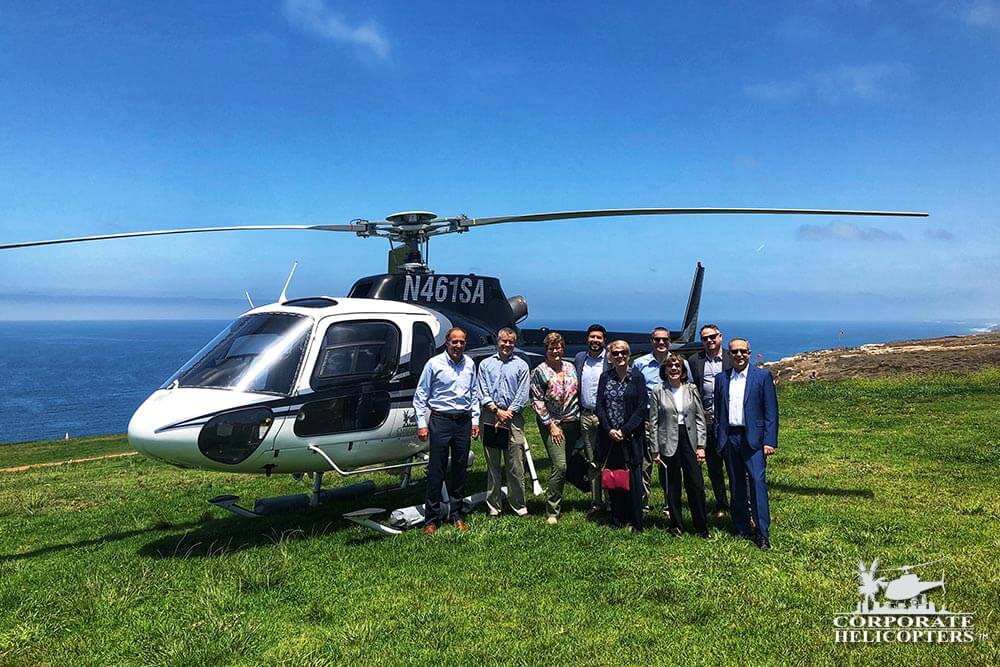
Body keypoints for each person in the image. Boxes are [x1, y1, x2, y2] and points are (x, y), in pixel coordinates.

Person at [413, 327, 481, 534]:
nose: (458, 346)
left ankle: (456, 515)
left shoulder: (469, 364)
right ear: (447, 342)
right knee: (436, 470)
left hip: (462, 422)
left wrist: (475, 421)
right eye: (454, 342)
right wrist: (421, 424)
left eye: (462, 342)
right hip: (440, 421)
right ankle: (431, 519)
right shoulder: (434, 364)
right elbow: (421, 395)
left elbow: (474, 393)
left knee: (460, 470)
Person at [713, 337, 778, 550]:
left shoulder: (762, 376)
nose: (739, 355)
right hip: (730, 437)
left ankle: (762, 532)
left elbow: (771, 412)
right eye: (734, 352)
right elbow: (718, 412)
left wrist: (769, 440)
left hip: (754, 440)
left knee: (757, 484)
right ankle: (741, 526)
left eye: (743, 351)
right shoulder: (721, 379)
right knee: (736, 483)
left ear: (749, 353)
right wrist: (718, 438)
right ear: (729, 354)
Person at [649, 354, 709, 538]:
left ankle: (701, 527)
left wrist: (701, 445)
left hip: (689, 440)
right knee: (672, 485)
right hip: (668, 441)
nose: (674, 369)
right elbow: (653, 422)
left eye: (677, 366)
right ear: (665, 370)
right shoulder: (658, 390)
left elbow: (700, 418)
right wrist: (654, 448)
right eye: (670, 366)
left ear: (683, 370)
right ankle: (676, 525)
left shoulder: (691, 389)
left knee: (696, 485)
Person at [631, 327, 691, 512]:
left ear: (670, 342)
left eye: (665, 339)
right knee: (645, 463)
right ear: (651, 341)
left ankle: (670, 504)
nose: (661, 343)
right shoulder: (640, 364)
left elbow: (689, 390)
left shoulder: (681, 363)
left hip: (672, 422)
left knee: (669, 465)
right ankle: (642, 504)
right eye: (657, 340)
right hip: (647, 420)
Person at [477, 327, 530, 517]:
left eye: (511, 342)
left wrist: (508, 413)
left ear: (515, 343)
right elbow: (481, 390)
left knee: (516, 465)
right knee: (493, 465)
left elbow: (523, 394)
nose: (507, 345)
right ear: (497, 342)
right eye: (504, 341)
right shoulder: (485, 364)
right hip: (491, 416)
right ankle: (494, 507)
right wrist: (496, 410)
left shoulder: (522, 365)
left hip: (513, 419)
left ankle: (519, 506)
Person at [595, 340, 647, 531]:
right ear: (610, 356)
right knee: (615, 478)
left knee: (633, 478)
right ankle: (617, 519)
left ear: (629, 354)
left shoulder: (638, 377)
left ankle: (635, 521)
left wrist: (624, 430)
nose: (619, 356)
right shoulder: (605, 377)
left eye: (623, 352)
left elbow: (642, 408)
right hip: (610, 437)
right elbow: (599, 405)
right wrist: (608, 429)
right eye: (615, 353)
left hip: (630, 436)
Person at [530, 331, 581, 524]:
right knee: (560, 465)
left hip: (573, 421)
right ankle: (552, 509)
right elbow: (537, 400)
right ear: (546, 350)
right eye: (551, 348)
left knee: (568, 463)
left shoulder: (571, 367)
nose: (555, 351)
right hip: (552, 423)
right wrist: (550, 425)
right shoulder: (540, 372)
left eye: (558, 347)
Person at [687, 323, 733, 519]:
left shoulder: (732, 358)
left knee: (734, 465)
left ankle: (740, 503)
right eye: (705, 338)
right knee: (714, 466)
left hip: (730, 421)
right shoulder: (694, 361)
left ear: (720, 337)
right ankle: (721, 503)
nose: (709, 341)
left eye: (712, 337)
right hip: (706, 420)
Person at [573, 323, 609, 514]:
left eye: (599, 337)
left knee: (609, 459)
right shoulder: (580, 359)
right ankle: (596, 502)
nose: (595, 340)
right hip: (586, 415)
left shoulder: (610, 360)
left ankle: (612, 501)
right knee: (592, 461)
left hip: (606, 417)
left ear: (604, 340)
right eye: (592, 337)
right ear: (587, 339)